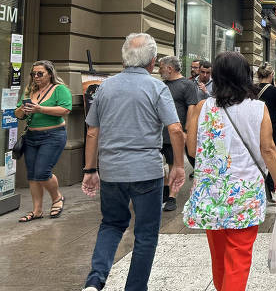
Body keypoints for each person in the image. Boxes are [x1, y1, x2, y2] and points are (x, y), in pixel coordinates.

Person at [81, 33, 185, 291]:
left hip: (112, 171)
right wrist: (179, 166)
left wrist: (90, 169)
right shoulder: (157, 87)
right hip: (146, 172)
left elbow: (92, 131)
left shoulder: (105, 86)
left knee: (111, 224)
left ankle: (94, 282)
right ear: (151, 62)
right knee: (146, 234)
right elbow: (174, 129)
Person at [184, 52, 276, 291]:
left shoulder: (202, 107)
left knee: (218, 257)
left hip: (211, 192)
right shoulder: (258, 108)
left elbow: (191, 147)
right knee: (238, 259)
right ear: (245, 77)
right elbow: (268, 149)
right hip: (245, 193)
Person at [15, 60, 72, 222]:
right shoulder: (29, 91)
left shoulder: (59, 89)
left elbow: (65, 109)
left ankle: (57, 198)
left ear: (50, 74)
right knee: (32, 174)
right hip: (32, 137)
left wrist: (40, 109)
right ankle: (37, 210)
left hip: (53, 136)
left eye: (40, 73)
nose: (36, 77)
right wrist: (22, 109)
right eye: (34, 74)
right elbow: (19, 115)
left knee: (42, 172)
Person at [158, 55, 200, 211]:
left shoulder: (187, 85)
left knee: (173, 164)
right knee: (158, 164)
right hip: (158, 133)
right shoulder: (161, 85)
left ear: (170, 68)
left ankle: (172, 197)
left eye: (161, 67)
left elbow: (192, 108)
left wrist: (186, 130)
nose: (159, 70)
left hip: (174, 132)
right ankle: (164, 190)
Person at [254, 62, 276, 202]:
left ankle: (258, 187)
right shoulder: (275, 91)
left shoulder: (251, 90)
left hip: (254, 127)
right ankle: (269, 188)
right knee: (274, 157)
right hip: (271, 128)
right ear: (271, 75)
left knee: (257, 156)